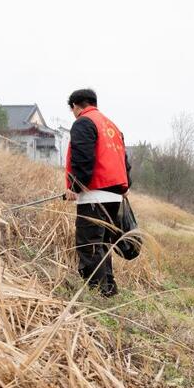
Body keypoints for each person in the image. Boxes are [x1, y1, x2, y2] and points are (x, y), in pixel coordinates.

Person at [64, 88, 130, 297]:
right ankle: (108, 289)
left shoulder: (84, 122)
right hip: (114, 196)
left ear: (75, 106)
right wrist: (125, 187)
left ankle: (96, 293)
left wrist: (75, 187)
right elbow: (125, 163)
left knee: (89, 245)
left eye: (72, 109)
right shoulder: (112, 126)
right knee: (102, 245)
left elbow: (82, 159)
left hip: (94, 195)